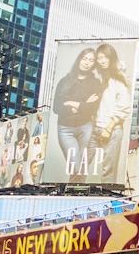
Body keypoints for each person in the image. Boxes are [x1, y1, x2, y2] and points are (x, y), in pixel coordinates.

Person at [53, 47, 101, 183]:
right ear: (79, 59)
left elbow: (92, 108)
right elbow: (57, 107)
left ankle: (73, 195)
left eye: (91, 60)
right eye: (85, 58)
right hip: (65, 129)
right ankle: (76, 194)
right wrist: (82, 104)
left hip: (86, 128)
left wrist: (71, 103)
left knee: (80, 169)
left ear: (94, 64)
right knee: (77, 167)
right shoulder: (64, 81)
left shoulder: (96, 83)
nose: (87, 62)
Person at [88, 43, 131, 183]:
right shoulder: (97, 77)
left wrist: (109, 128)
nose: (102, 60)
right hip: (93, 128)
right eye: (99, 57)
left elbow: (124, 107)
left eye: (105, 57)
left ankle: (107, 202)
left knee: (108, 173)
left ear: (111, 58)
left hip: (111, 130)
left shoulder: (119, 79)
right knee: (79, 166)